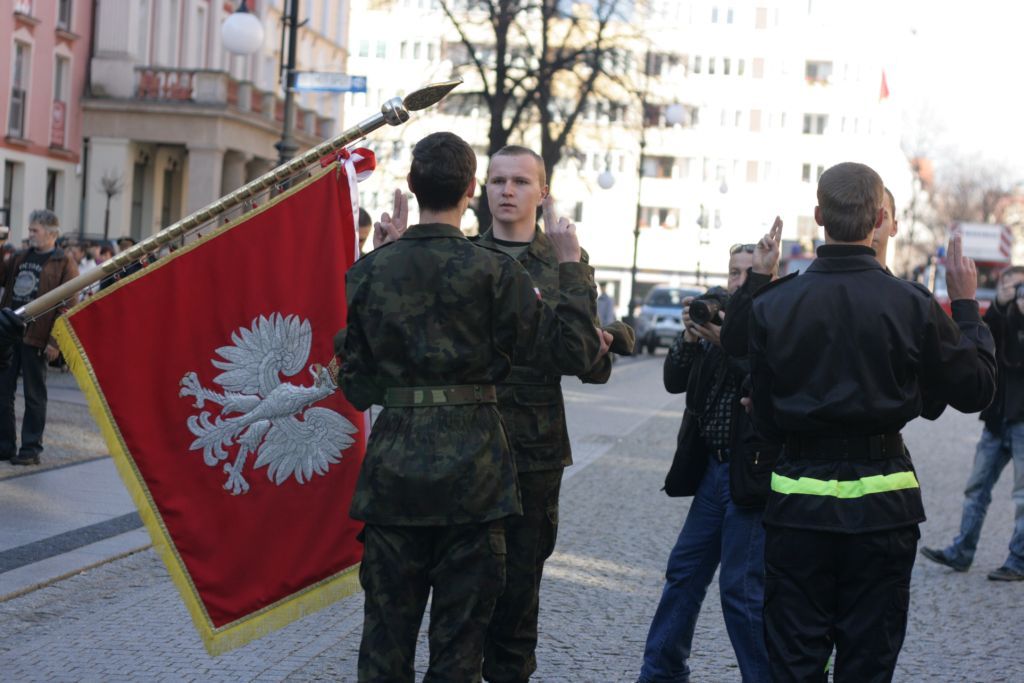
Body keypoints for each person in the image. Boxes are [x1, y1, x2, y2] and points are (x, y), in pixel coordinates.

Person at [336, 131, 606, 682]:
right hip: (476, 475)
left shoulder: (369, 272)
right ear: (471, 190)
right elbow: (574, 351)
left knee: (385, 640)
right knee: (460, 645)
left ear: (412, 188)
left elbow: (358, 387)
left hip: (395, 477)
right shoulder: (493, 271)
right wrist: (573, 269)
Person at [747, 162, 996, 682]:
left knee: (793, 664)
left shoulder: (775, 305)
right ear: (880, 218)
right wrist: (967, 306)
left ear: (819, 216)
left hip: (797, 509)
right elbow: (976, 391)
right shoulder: (912, 305)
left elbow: (766, 421)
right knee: (867, 665)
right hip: (884, 511)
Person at [472, 145, 629, 683]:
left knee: (519, 594)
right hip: (466, 447)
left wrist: (604, 336)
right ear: (482, 189)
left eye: (519, 181)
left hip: (533, 453)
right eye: (497, 180)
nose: (507, 190)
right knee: (465, 594)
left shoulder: (564, 262)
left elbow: (592, 366)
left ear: (543, 193)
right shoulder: (465, 258)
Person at [637, 242, 769, 683]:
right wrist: (691, 338)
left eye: (748, 273)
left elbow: (771, 387)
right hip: (712, 471)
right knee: (684, 572)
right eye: (734, 272)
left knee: (740, 591)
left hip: (749, 474)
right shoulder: (715, 318)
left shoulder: (770, 323)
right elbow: (674, 381)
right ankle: (661, 673)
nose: (738, 281)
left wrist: (728, 344)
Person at [920, 266, 1024, 581]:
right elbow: (980, 348)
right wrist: (999, 307)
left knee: (1022, 497)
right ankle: (962, 551)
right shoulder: (999, 315)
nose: (1012, 291)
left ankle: (1018, 560)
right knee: (976, 488)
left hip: (1023, 423)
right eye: (1007, 285)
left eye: (1018, 287)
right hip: (996, 420)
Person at [0, 210, 79, 465]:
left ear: (51, 233)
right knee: (3, 391)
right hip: (11, 336)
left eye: (35, 230)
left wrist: (55, 341)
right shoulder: (21, 257)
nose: (30, 234)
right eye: (31, 229)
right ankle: (5, 445)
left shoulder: (63, 262)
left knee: (34, 395)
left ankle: (31, 448)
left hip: (38, 336)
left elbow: (68, 304)